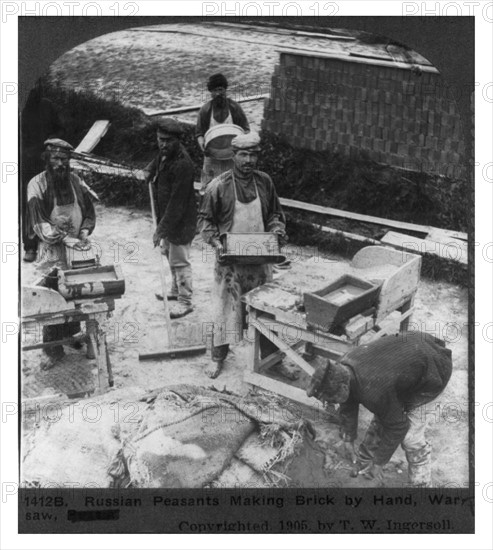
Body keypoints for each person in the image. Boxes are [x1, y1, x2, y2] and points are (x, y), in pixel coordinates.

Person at [306, 331, 453, 487]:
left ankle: (421, 484)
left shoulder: (374, 390)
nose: (331, 404)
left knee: (410, 437)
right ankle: (365, 462)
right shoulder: (342, 369)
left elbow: (398, 427)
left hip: (433, 370)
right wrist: (348, 437)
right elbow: (348, 402)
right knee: (386, 411)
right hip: (409, 356)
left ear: (343, 387)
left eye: (331, 399)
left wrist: (380, 462)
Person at [199, 131, 288, 379]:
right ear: (233, 156)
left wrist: (277, 232)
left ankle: (273, 361)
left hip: (260, 261)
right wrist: (217, 244)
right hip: (230, 265)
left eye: (253, 155)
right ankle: (218, 358)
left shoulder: (265, 182)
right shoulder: (218, 186)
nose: (248, 160)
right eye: (243, 155)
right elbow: (205, 222)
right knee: (224, 311)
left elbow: (275, 215)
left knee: (266, 312)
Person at [27, 138, 96, 368]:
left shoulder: (76, 181)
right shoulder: (36, 185)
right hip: (51, 250)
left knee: (76, 293)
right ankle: (52, 348)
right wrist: (64, 238)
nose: (60, 164)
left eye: (64, 159)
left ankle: (71, 336)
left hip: (76, 249)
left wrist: (85, 230)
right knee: (51, 297)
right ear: (47, 158)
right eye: (55, 158)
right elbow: (39, 223)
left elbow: (89, 210)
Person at [148, 117, 197, 319]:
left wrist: (160, 231)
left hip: (181, 221)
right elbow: (156, 162)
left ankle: (186, 302)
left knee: (180, 261)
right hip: (167, 218)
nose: (163, 144)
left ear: (178, 140)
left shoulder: (183, 165)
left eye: (168, 140)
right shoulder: (165, 153)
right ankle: (176, 291)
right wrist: (149, 170)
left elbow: (177, 205)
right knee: (169, 254)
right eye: (160, 139)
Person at [22, 81, 65, 262]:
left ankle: (52, 241)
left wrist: (51, 141)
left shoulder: (48, 106)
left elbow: (60, 128)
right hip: (25, 165)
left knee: (52, 201)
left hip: (47, 163)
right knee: (30, 204)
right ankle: (30, 246)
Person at [196, 73, 250, 191]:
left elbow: (246, 129)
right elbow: (199, 133)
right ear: (211, 93)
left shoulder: (235, 108)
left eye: (220, 90)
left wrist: (242, 142)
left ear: (225, 90)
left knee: (231, 187)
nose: (218, 94)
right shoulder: (205, 110)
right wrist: (202, 144)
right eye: (214, 91)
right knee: (208, 189)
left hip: (231, 156)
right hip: (212, 156)